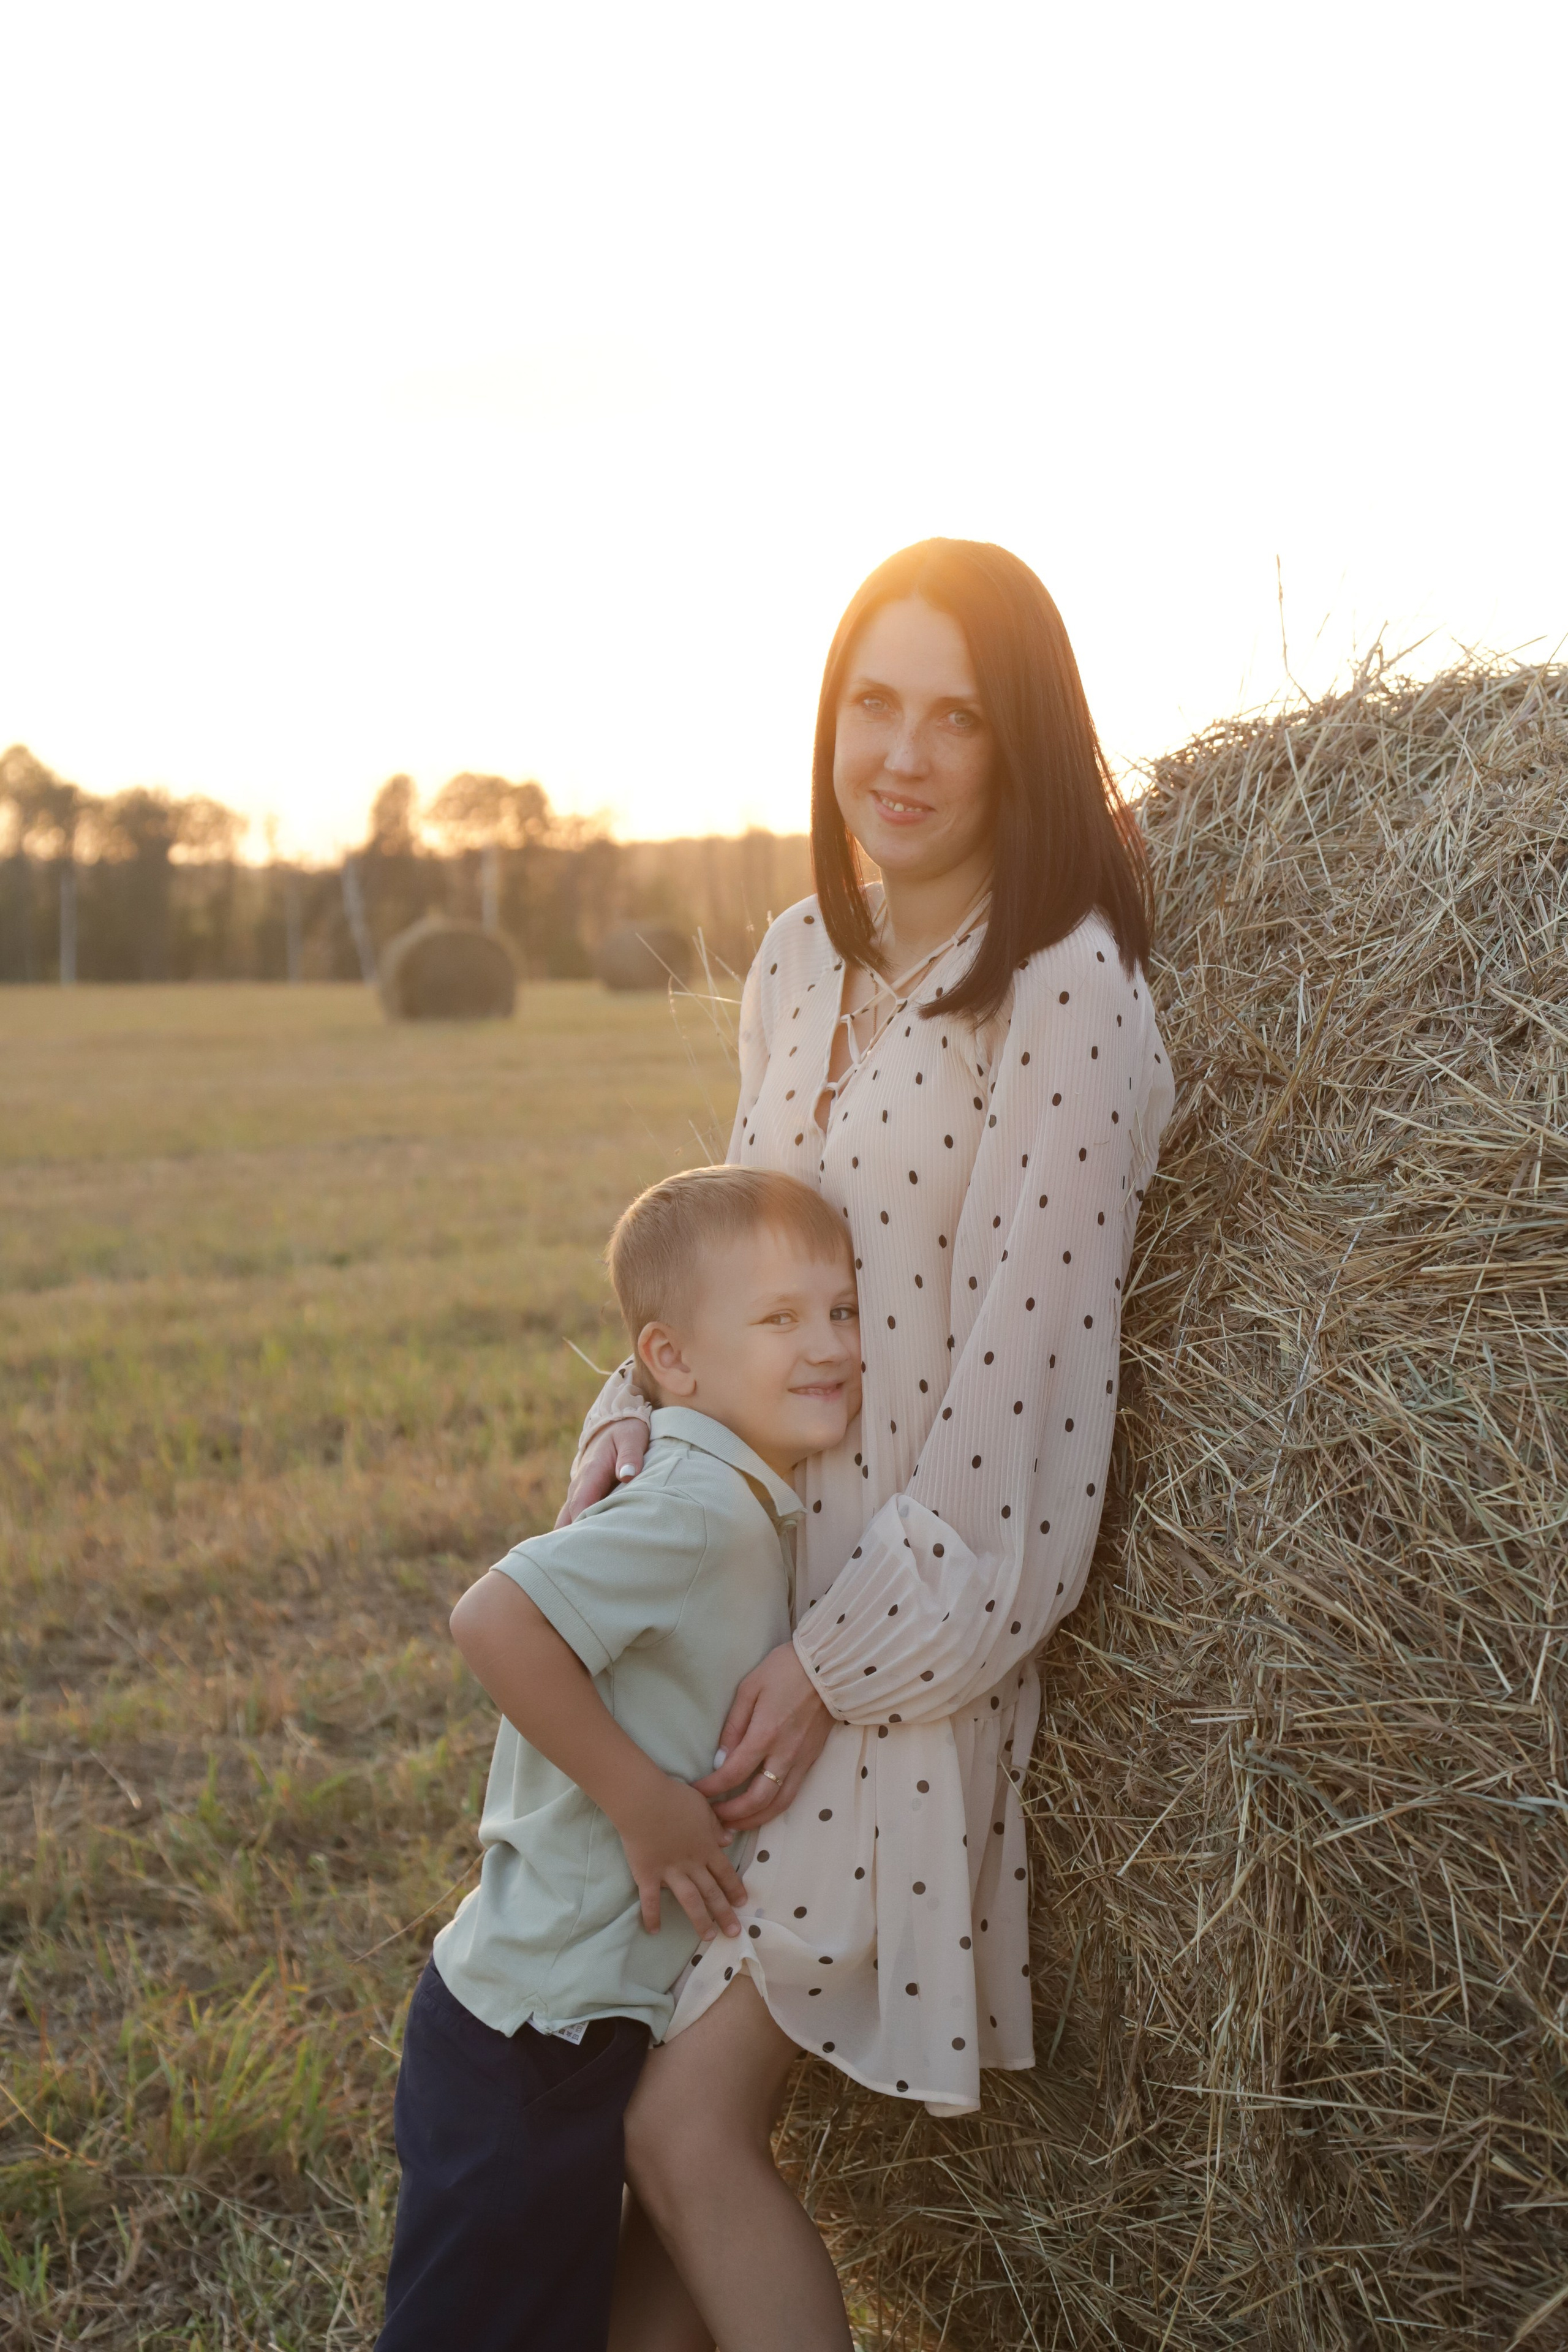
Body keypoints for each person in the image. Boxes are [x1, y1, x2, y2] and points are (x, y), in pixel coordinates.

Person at [564, 540, 1176, 2352]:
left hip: (900, 1675)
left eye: (954, 719)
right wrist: (630, 1415)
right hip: (732, 1620)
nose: (900, 756)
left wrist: (839, 1666)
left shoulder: (1070, 1003)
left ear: (1024, 749)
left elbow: (1025, 1408)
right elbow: (736, 1255)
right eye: (871, 706)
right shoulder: (790, 961)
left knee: (686, 2127)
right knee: (630, 2172)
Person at [377, 1166, 861, 2352]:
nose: (828, 1345)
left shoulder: (745, 1496)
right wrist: (642, 1801)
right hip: (525, 2042)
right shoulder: (690, 1506)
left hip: (569, 2026)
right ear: (672, 1359)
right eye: (778, 1319)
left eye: (842, 1310)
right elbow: (491, 1619)